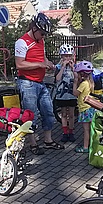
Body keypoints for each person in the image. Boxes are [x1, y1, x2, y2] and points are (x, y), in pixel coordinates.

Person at [14, 13, 64, 155]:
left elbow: (42, 57)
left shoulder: (40, 41)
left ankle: (48, 141)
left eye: (45, 34)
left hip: (40, 82)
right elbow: (20, 64)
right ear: (34, 28)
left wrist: (48, 64)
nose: (43, 37)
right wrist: (40, 64)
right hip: (27, 83)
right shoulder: (22, 42)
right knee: (31, 115)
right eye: (42, 33)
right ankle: (33, 143)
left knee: (48, 112)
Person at [54, 44, 77, 142]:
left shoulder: (75, 66)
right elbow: (57, 79)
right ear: (61, 56)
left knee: (71, 114)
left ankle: (71, 132)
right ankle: (65, 132)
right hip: (61, 94)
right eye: (65, 56)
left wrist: (73, 68)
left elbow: (77, 78)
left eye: (69, 56)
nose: (67, 58)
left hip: (71, 93)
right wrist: (63, 67)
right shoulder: (58, 67)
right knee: (63, 113)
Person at [72, 60, 95, 154]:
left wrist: (75, 82)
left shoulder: (83, 84)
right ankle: (91, 145)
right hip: (90, 108)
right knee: (90, 129)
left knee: (86, 130)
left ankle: (86, 147)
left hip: (85, 109)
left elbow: (75, 93)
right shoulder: (90, 82)